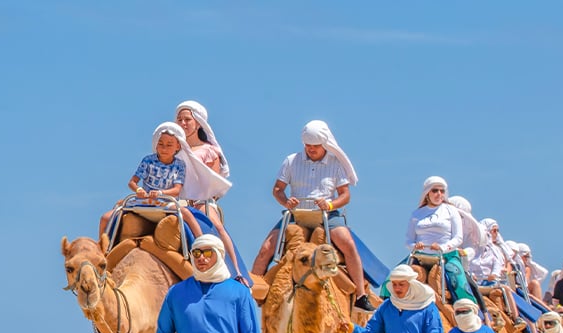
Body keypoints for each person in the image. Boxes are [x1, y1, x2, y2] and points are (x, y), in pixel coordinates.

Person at [249, 120, 368, 302]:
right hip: (296, 215)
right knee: (266, 248)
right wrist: (286, 201)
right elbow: (277, 189)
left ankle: (361, 295)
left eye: (315, 146)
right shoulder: (291, 161)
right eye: (308, 145)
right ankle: (250, 293)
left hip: (327, 215)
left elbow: (345, 195)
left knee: (348, 244)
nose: (311, 149)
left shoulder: (335, 164)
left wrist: (329, 205)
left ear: (325, 145)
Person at [100, 122, 229, 247]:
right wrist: (139, 189)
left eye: (169, 145)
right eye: (161, 144)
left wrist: (161, 193)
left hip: (165, 202)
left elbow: (177, 190)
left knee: (187, 215)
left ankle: (202, 243)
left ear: (177, 147)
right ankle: (101, 249)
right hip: (144, 202)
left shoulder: (179, 165)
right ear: (156, 145)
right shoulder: (148, 160)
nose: (164, 148)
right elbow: (132, 182)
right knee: (106, 217)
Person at [174, 101, 246, 283]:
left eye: (187, 119)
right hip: (174, 200)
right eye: (179, 119)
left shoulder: (209, 151)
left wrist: (196, 199)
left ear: (198, 122)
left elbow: (212, 184)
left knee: (216, 225)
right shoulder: (173, 148)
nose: (182, 123)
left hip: (201, 201)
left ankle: (235, 271)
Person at [406, 177, 474, 304]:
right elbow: (408, 240)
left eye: (442, 191)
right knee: (393, 278)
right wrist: (415, 246)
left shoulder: (451, 210)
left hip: (446, 256)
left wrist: (442, 247)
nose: (439, 194)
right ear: (427, 193)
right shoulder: (416, 214)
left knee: (459, 282)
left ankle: (468, 312)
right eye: (435, 190)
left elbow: (458, 237)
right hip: (420, 256)